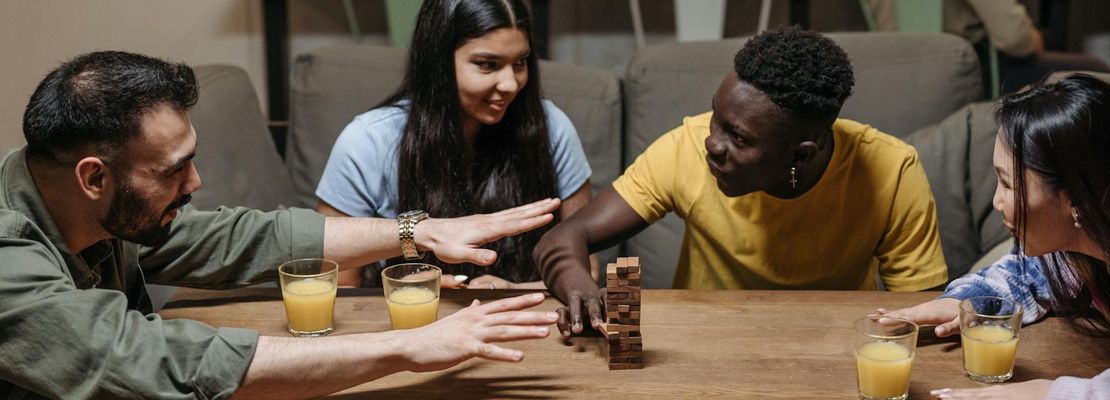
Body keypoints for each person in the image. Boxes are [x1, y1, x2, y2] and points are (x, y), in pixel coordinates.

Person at [0, 51, 562, 399]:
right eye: (173, 170)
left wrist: (417, 232)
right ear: (93, 177)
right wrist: (409, 346)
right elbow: (157, 360)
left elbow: (238, 239)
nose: (194, 183)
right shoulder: (7, 258)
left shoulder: (98, 208)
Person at [535, 26, 949, 336]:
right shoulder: (684, 148)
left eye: (739, 138)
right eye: (716, 118)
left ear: (801, 153)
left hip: (835, 344)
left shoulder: (892, 171)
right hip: (706, 340)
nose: (712, 144)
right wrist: (582, 291)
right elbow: (562, 239)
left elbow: (924, 313)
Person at [880, 75, 1110, 399]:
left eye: (1008, 184)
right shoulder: (1106, 245)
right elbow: (1035, 272)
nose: (997, 201)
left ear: (1077, 197)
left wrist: (1053, 393)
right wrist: (968, 300)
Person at [316, 0, 595, 290]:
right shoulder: (367, 142)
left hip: (526, 312)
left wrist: (511, 291)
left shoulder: (552, 128)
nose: (511, 84)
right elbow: (338, 287)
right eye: (487, 65)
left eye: (520, 62)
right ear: (438, 62)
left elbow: (586, 271)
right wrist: (405, 291)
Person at [868, 0, 1110, 95]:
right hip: (971, 75)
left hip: (896, 77)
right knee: (1096, 71)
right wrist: (1034, 38)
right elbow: (1014, 38)